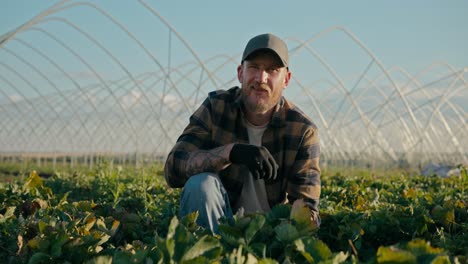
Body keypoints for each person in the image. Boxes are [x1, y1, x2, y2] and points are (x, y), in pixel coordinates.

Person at [164, 33, 321, 233]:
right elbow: (173, 168)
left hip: (271, 234)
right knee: (199, 185)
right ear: (240, 73)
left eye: (272, 70)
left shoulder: (301, 130)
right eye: (254, 67)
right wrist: (230, 152)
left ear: (286, 79)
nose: (261, 78)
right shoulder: (216, 107)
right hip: (221, 225)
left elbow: (307, 209)